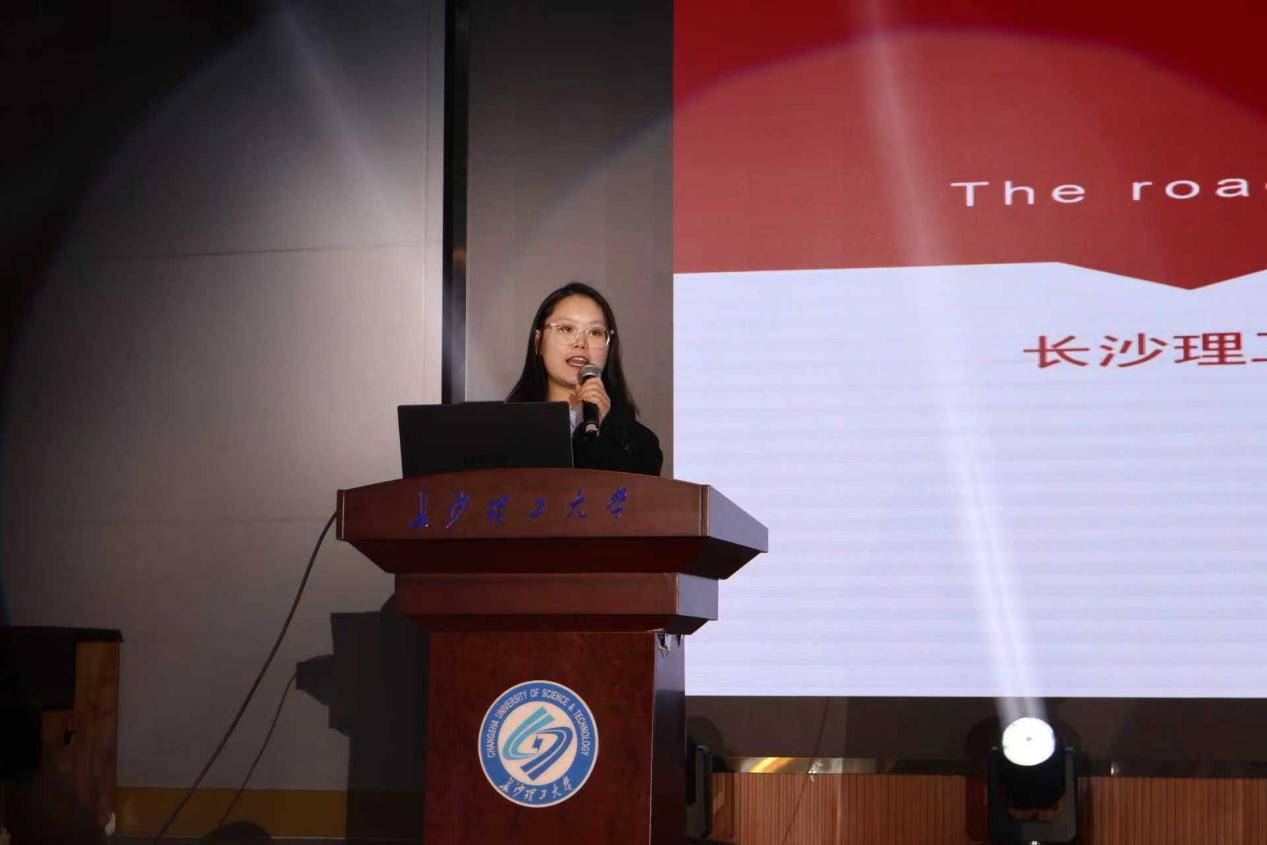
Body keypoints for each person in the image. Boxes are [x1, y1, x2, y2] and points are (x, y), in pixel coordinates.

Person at [507, 282, 662, 476]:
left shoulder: (641, 443)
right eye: (566, 329)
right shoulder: (505, 430)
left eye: (594, 332)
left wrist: (604, 431)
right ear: (538, 343)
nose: (580, 343)